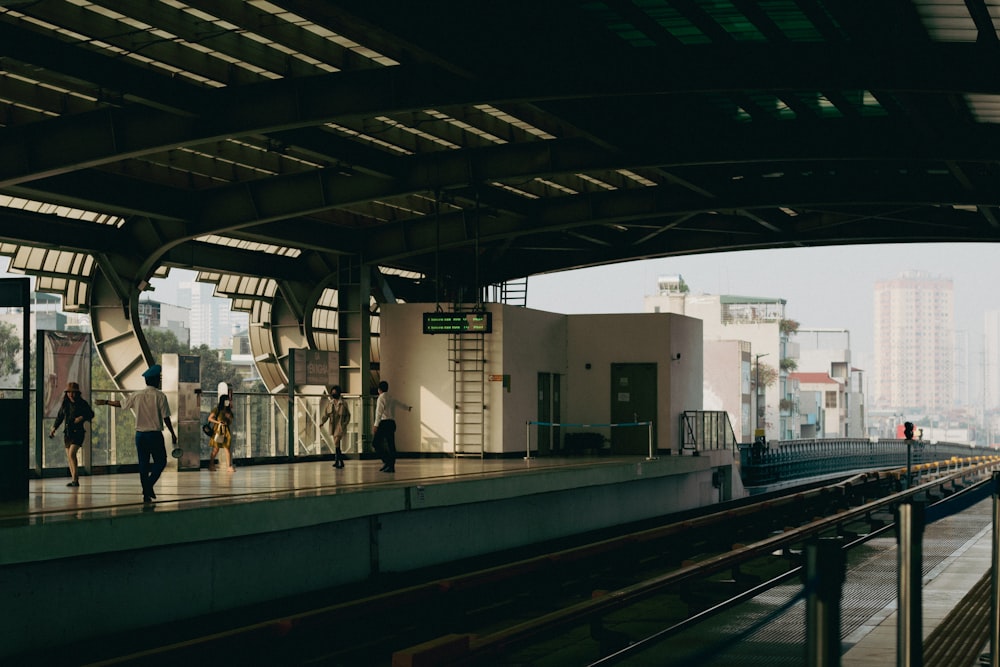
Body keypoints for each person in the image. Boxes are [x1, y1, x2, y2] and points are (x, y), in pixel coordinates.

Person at [98, 364, 177, 503]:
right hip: (154, 435)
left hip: (140, 435)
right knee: (161, 461)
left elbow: (120, 404)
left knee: (143, 464)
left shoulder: (136, 395)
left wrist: (105, 402)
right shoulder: (160, 396)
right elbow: (166, 417)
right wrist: (172, 433)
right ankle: (148, 486)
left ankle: (146, 493)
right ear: (155, 380)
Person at [49, 381, 95, 487]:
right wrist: (54, 428)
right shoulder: (65, 404)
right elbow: (60, 417)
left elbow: (91, 414)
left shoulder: (82, 403)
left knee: (72, 454)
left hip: (78, 432)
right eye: (69, 393)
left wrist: (82, 417)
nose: (71, 395)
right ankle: (74, 479)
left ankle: (75, 479)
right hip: (68, 432)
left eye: (73, 393)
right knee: (69, 457)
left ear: (77, 393)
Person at [371, 380, 411, 473]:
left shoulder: (381, 398)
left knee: (376, 443)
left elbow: (379, 412)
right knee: (391, 445)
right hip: (392, 423)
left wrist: (376, 425)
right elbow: (400, 404)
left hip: (384, 423)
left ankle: (387, 461)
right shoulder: (391, 397)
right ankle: (391, 465)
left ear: (379, 389)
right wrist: (407, 407)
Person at [320, 384, 350, 468]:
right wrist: (322, 422)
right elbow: (326, 414)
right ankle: (339, 461)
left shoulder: (343, 403)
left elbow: (348, 415)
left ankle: (338, 460)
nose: (333, 394)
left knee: (336, 442)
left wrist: (345, 423)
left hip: (340, 425)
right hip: (333, 425)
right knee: (336, 444)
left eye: (335, 392)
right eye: (332, 392)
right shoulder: (330, 403)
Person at [208, 394, 235, 472]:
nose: (228, 402)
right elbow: (210, 418)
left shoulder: (228, 410)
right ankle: (211, 464)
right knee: (216, 448)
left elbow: (230, 420)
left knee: (227, 448)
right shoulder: (217, 409)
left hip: (226, 431)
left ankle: (229, 466)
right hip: (218, 430)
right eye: (227, 400)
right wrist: (218, 422)